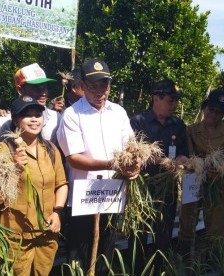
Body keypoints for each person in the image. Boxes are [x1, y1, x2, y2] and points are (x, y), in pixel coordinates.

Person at [57, 58, 140, 273]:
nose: (99, 91)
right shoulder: (72, 115)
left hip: (112, 195)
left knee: (106, 252)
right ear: (82, 86)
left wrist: (135, 163)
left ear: (110, 86)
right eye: (93, 86)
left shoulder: (119, 113)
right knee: (78, 257)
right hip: (83, 198)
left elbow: (130, 146)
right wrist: (112, 164)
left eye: (104, 85)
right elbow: (74, 158)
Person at [0, 96, 68, 275]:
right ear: (17, 121)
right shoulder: (4, 150)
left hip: (47, 232)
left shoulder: (50, 149)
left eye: (38, 115)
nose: (34, 119)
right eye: (27, 115)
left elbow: (61, 184)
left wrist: (58, 213)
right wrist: (15, 168)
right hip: (17, 236)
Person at [128, 79, 188, 272]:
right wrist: (148, 157)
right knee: (137, 233)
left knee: (164, 233)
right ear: (156, 98)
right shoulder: (138, 121)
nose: (174, 105)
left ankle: (159, 269)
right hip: (142, 187)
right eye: (170, 100)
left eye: (176, 101)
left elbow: (183, 152)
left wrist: (181, 160)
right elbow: (130, 152)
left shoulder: (178, 125)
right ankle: (136, 270)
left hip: (167, 188)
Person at [178, 89, 224, 262]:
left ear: (223, 114)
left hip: (217, 184)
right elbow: (188, 156)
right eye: (211, 109)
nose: (213, 114)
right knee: (187, 222)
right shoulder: (190, 130)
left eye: (219, 112)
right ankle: (185, 259)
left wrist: (220, 167)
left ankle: (212, 261)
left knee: (216, 225)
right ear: (204, 109)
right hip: (194, 182)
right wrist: (200, 166)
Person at [0, 63, 61, 149]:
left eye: (45, 87)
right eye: (36, 88)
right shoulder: (1, 123)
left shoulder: (56, 118)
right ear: (20, 90)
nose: (43, 93)